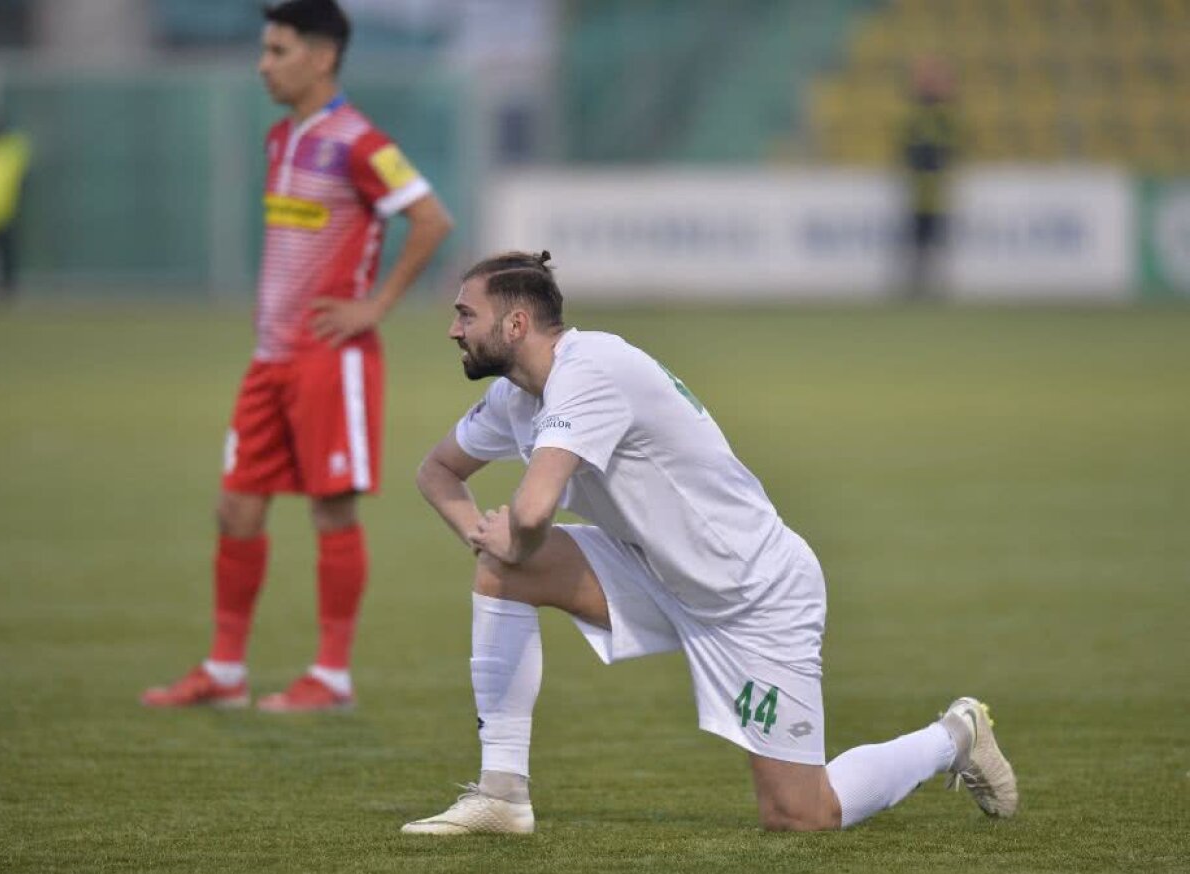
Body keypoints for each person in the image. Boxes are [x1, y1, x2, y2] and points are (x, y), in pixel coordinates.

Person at [400, 251, 1017, 834]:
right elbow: (438, 472)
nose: (453, 329)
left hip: (754, 594)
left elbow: (532, 512)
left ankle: (954, 736)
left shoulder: (588, 372)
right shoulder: (515, 395)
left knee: (801, 816)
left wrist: (515, 535)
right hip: (652, 572)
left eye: (465, 314)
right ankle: (502, 793)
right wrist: (486, 537)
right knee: (504, 569)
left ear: (515, 323)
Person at [142, 0, 453, 712]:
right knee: (236, 509)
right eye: (264, 49)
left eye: (277, 50)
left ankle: (332, 678)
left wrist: (375, 306)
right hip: (269, 359)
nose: (263, 64)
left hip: (328, 360)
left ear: (321, 56)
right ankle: (224, 672)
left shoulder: (361, 142)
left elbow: (432, 219)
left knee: (332, 512)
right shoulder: (282, 138)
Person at [900, 56, 958, 299]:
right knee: (919, 242)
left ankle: (932, 286)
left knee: (933, 242)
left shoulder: (943, 116)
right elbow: (907, 147)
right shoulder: (916, 115)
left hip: (934, 193)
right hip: (920, 193)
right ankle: (919, 286)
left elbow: (949, 148)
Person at [0, 113, 31, 297]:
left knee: (7, 255)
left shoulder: (9, 150)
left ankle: (8, 290)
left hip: (3, 213)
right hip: (1, 212)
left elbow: (21, 146)